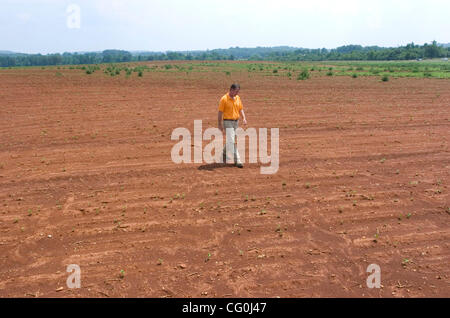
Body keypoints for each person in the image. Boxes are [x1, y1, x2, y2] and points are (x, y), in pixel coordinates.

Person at [218, 83, 247, 168]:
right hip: (227, 122)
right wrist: (219, 124)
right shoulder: (224, 99)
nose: (237, 93)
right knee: (232, 141)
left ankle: (223, 153)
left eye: (238, 91)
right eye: (236, 91)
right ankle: (237, 160)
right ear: (231, 89)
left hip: (236, 122)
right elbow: (220, 112)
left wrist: (244, 118)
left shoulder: (237, 98)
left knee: (231, 140)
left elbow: (240, 109)